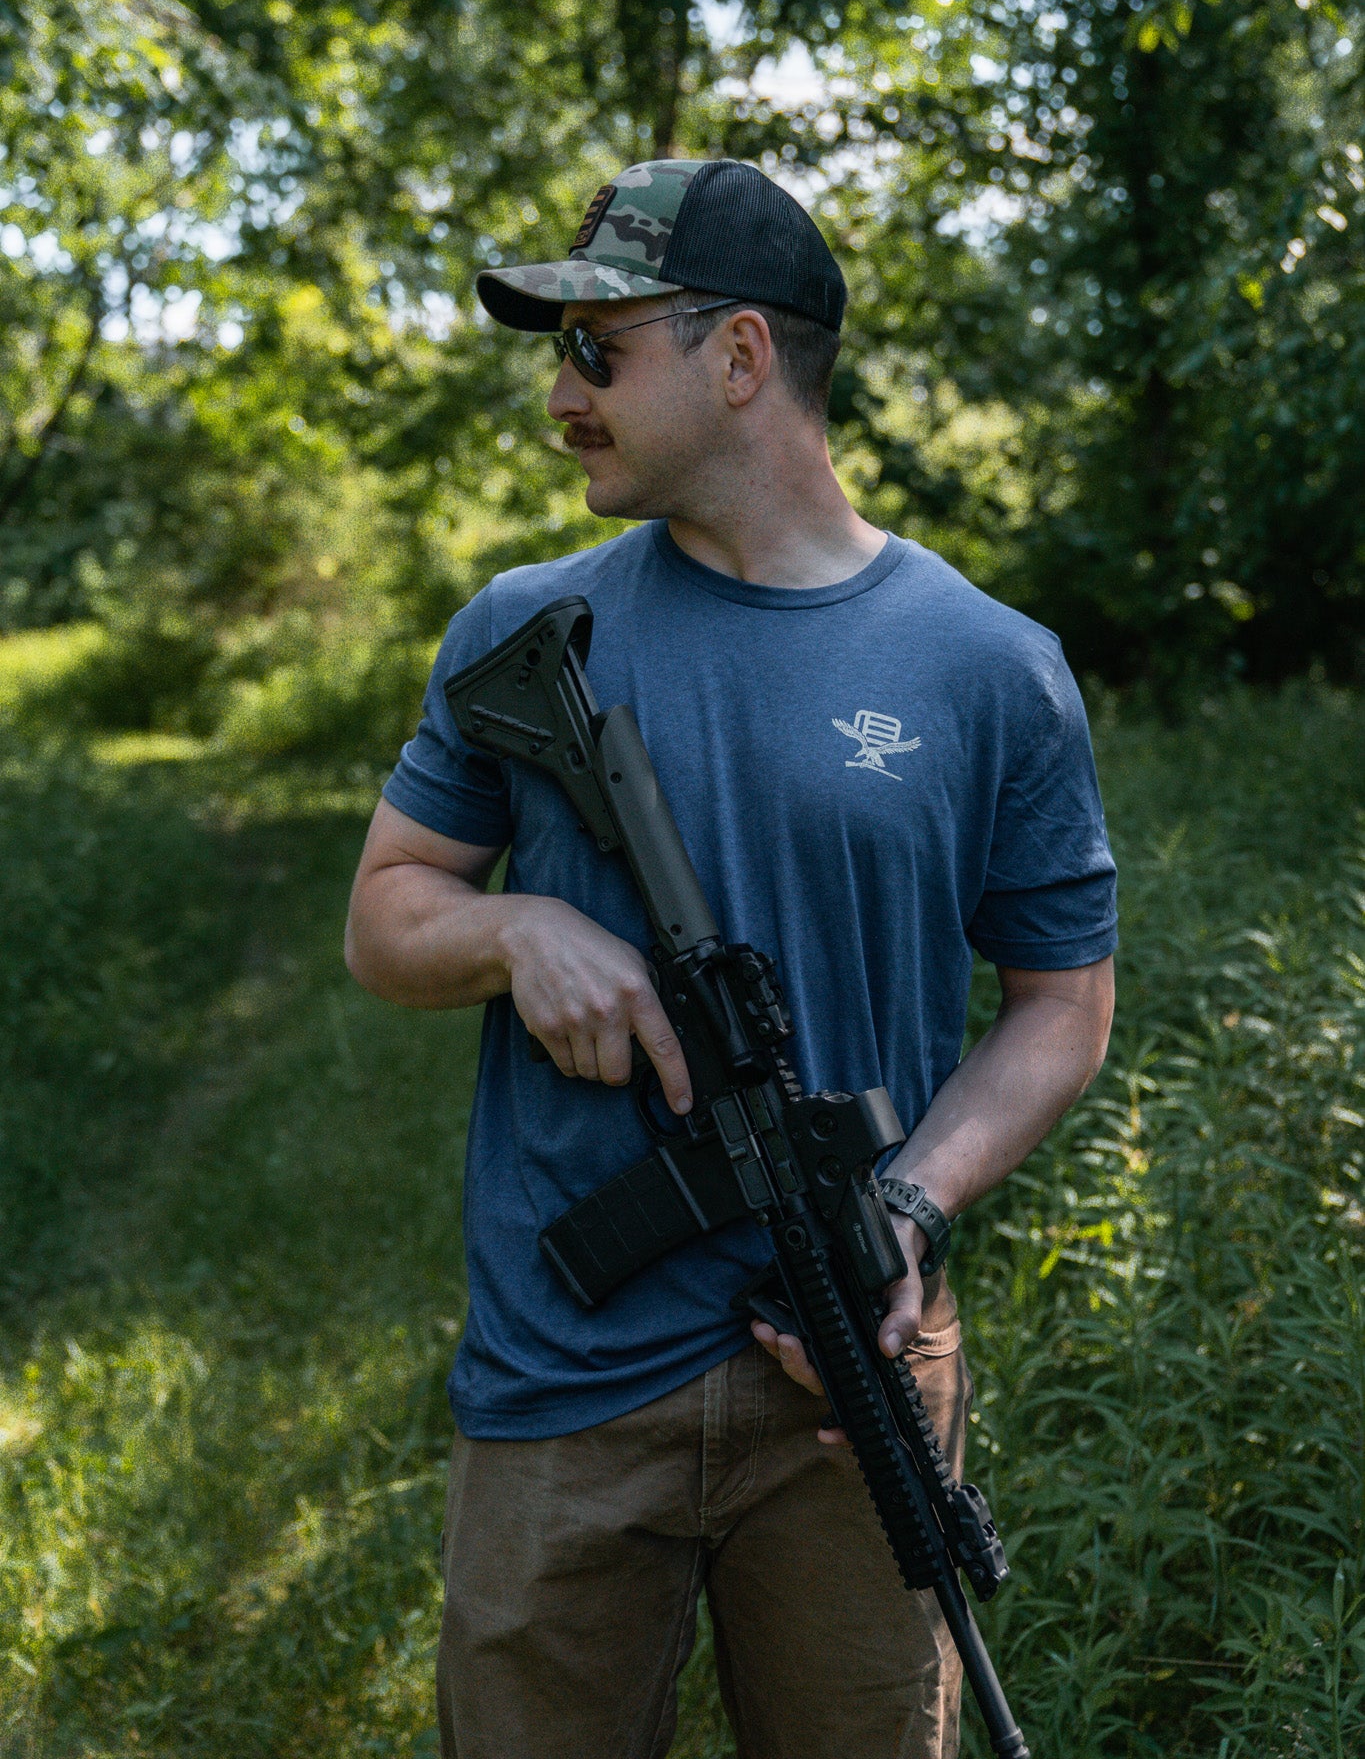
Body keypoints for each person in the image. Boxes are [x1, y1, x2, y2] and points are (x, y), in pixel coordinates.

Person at [344, 157, 1117, 1759]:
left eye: (596, 352)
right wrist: (513, 930)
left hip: (849, 1383)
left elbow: (1060, 1011)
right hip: (565, 1381)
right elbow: (386, 917)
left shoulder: (990, 668)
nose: (561, 396)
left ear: (741, 356)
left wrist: (909, 1200)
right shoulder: (521, 627)